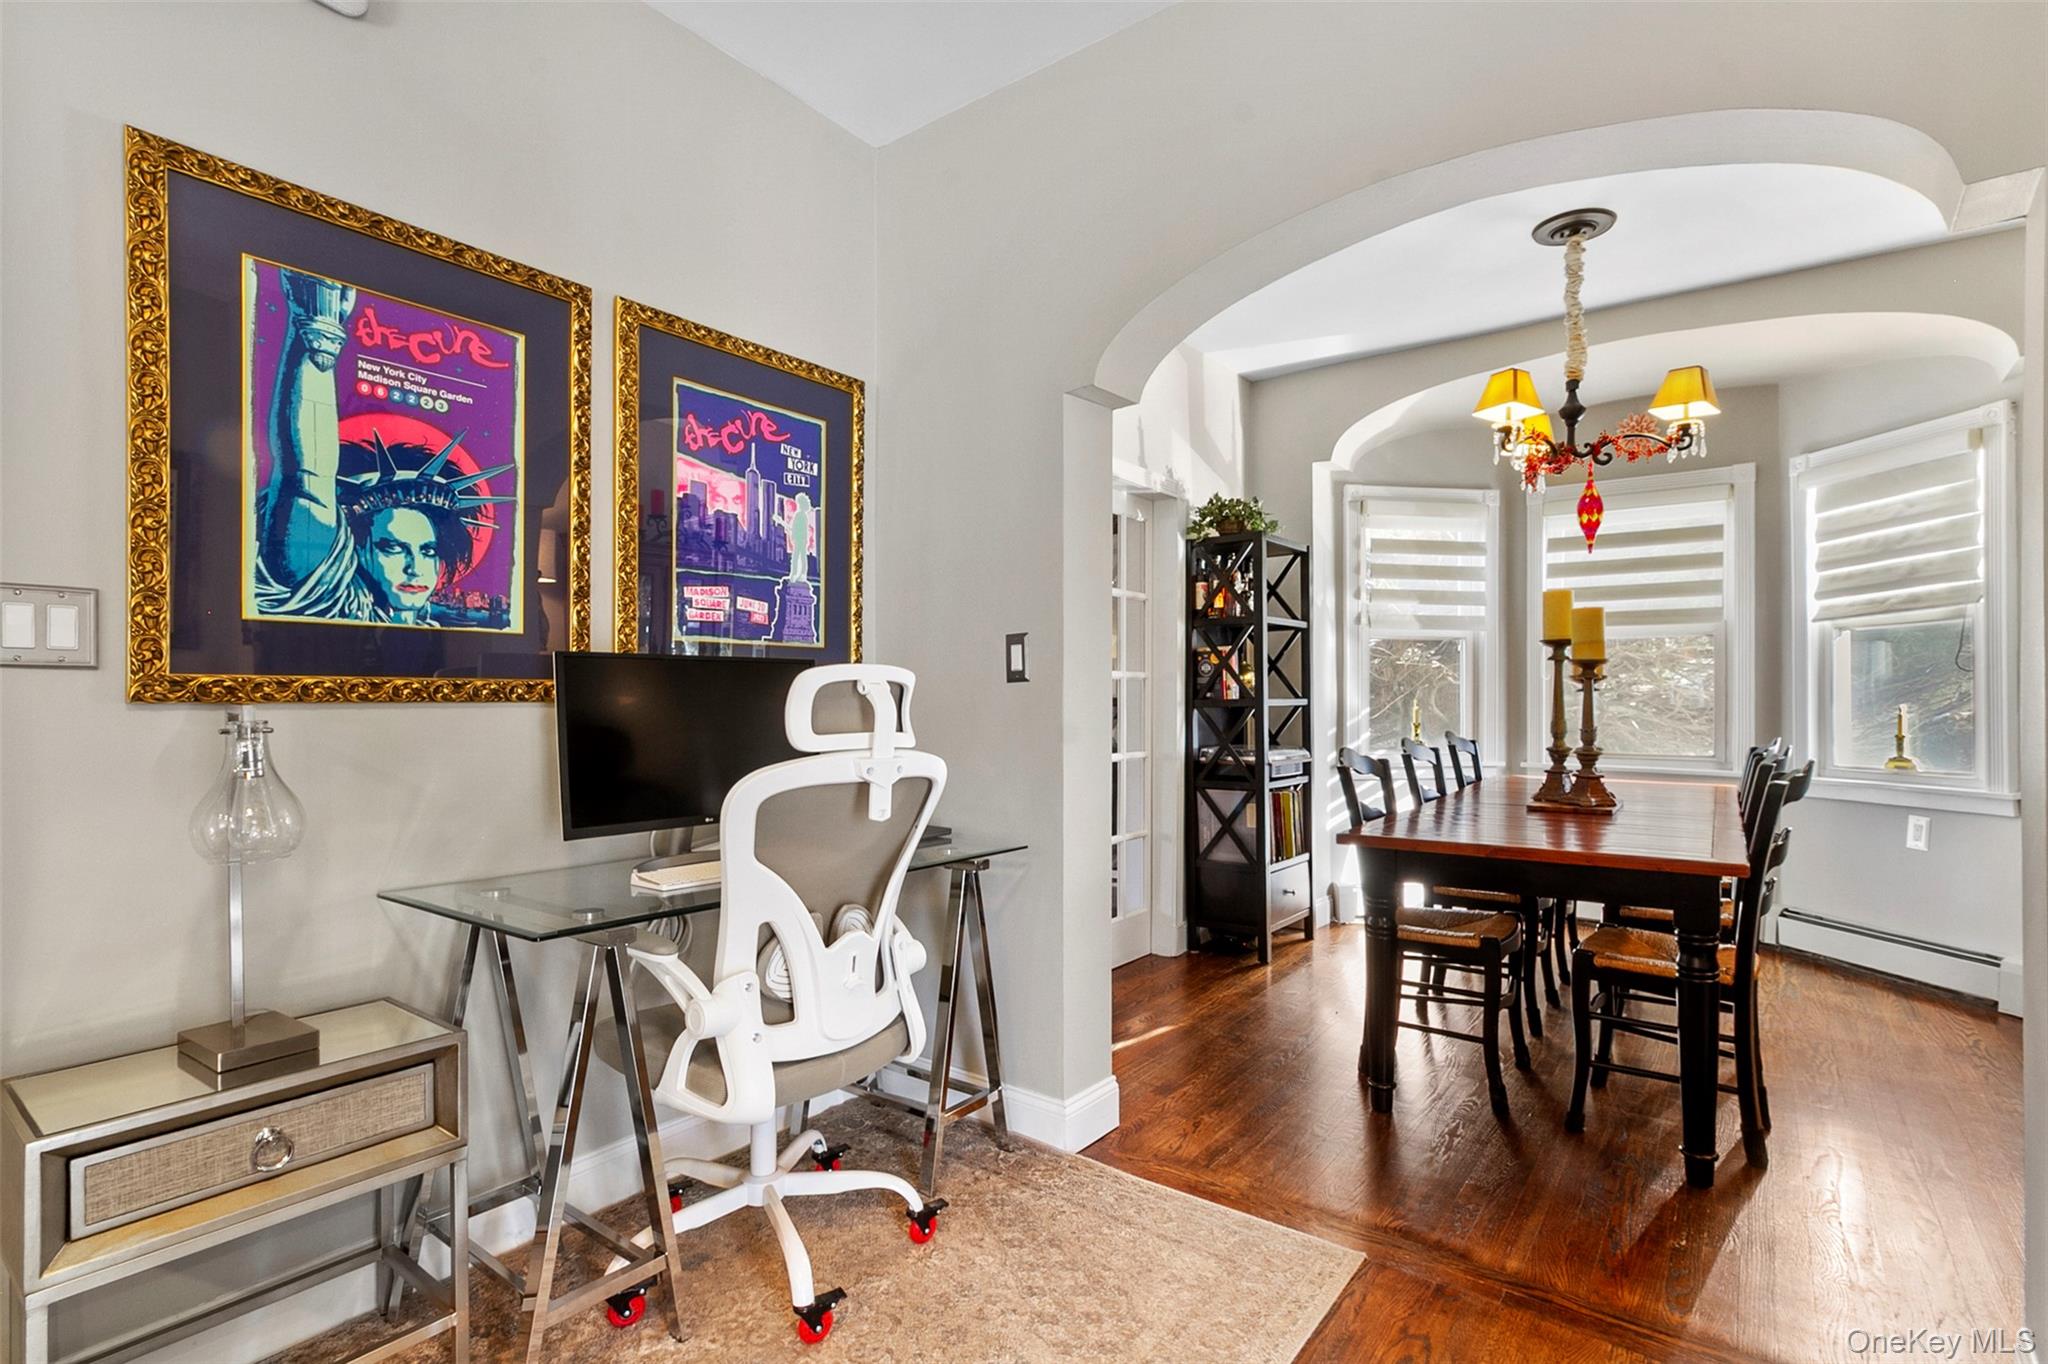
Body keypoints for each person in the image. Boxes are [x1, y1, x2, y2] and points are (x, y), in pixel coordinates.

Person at [252, 266, 513, 626]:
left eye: (428, 551)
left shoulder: (432, 628)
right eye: (392, 547)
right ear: (354, 548)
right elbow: (307, 479)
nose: (414, 568)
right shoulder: (332, 599)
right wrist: (319, 326)